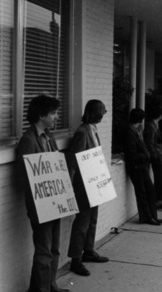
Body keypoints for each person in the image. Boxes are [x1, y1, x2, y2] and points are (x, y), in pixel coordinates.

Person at [17, 95, 70, 292]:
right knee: (43, 251)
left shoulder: (49, 137)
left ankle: (50, 284)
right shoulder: (28, 140)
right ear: (41, 115)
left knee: (54, 249)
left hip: (55, 202)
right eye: (53, 113)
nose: (56, 117)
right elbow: (25, 176)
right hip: (41, 205)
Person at [67, 100, 109, 277]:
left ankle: (88, 250)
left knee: (92, 218)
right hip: (83, 185)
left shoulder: (92, 130)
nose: (103, 115)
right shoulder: (83, 132)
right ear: (95, 113)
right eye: (102, 112)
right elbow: (74, 160)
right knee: (82, 221)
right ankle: (76, 260)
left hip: (94, 182)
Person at [123, 108, 162, 226]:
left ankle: (152, 215)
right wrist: (145, 155)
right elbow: (131, 152)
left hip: (141, 165)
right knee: (142, 191)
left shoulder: (135, 130)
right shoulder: (129, 132)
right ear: (139, 120)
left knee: (150, 190)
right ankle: (146, 217)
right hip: (136, 166)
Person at [144, 106, 162, 212]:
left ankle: (160, 199)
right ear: (160, 115)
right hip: (157, 155)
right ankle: (159, 199)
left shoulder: (154, 125)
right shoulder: (151, 126)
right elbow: (150, 143)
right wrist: (155, 155)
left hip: (159, 153)